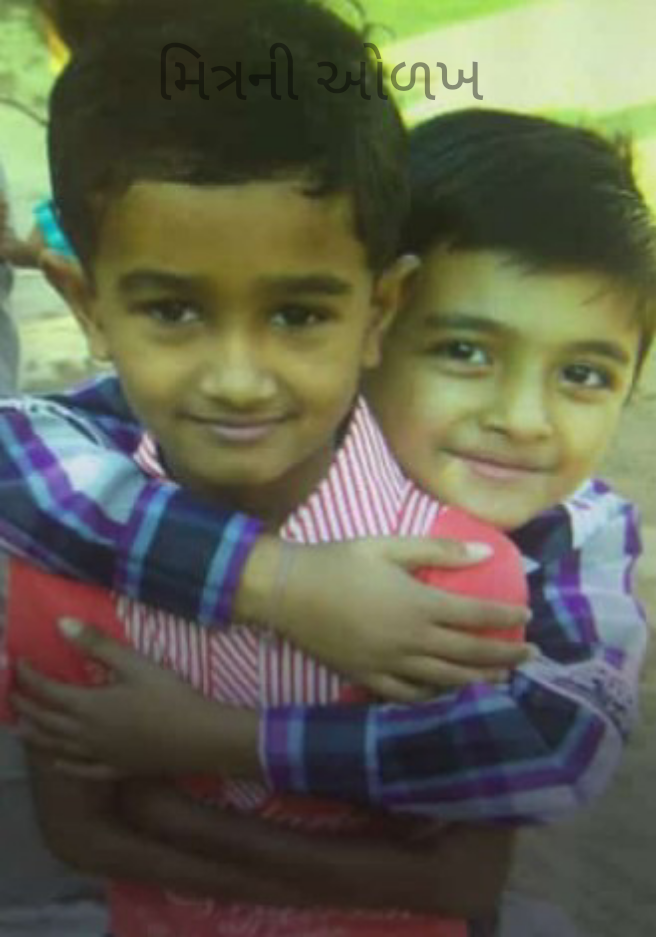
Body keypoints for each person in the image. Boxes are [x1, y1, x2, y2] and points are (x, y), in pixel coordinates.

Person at [0, 3, 535, 935]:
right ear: (87, 306)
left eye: (298, 315)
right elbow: (77, 830)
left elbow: (461, 879)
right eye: (173, 310)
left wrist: (174, 792)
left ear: (381, 309)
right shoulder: (55, 573)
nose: (238, 379)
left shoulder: (456, 584)